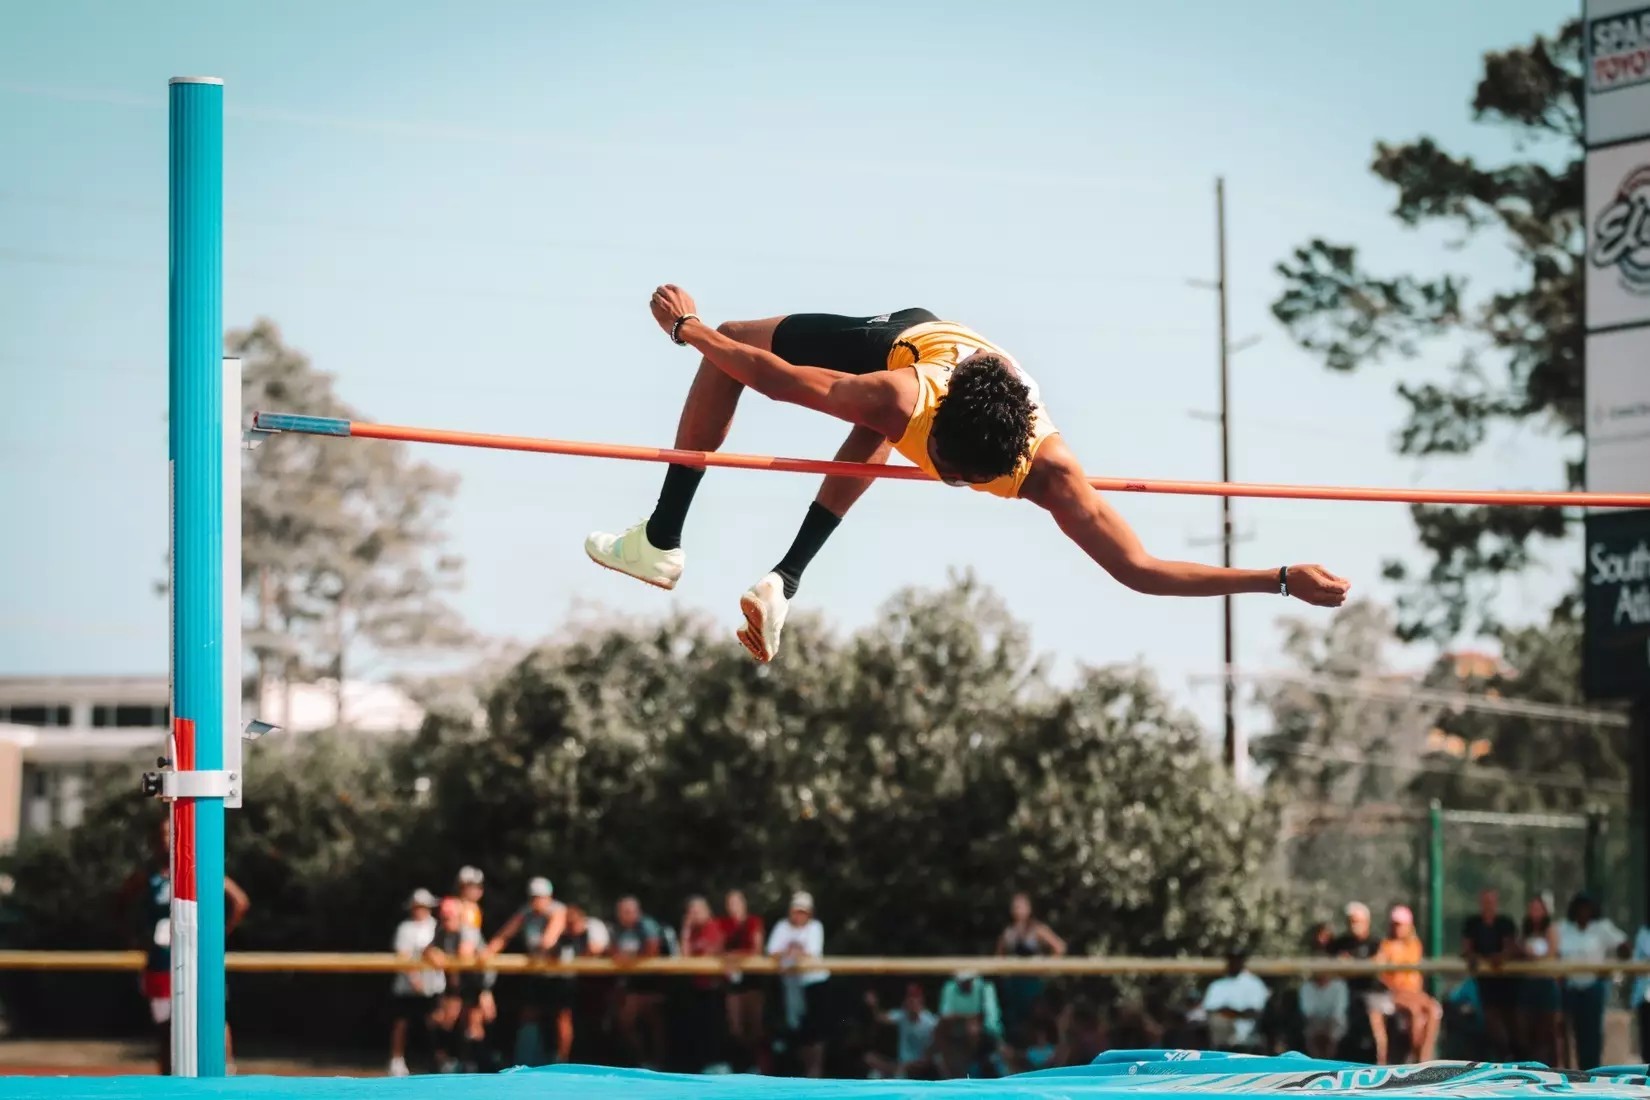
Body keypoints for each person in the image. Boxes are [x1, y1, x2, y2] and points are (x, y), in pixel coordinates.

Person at [585, 288, 1352, 663]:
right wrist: (692, 333)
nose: (943, 479)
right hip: (913, 339)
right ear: (935, 426)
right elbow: (772, 376)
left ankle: (693, 551)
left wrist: (1281, 578)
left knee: (738, 349)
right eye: (941, 465)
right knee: (736, 348)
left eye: (956, 476)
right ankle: (733, 560)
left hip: (953, 383)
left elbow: (1144, 572)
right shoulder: (903, 391)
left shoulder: (1052, 476)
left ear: (1007, 471)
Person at [114, 816, 250, 1076]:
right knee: (166, 1028)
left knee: (213, 1017)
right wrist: (133, 937)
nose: (166, 840)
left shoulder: (199, 867)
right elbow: (119, 903)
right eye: (162, 834)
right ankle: (168, 1082)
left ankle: (226, 1072)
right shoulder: (149, 875)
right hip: (162, 961)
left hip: (198, 958)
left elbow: (239, 901)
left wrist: (218, 935)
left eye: (170, 834)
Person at [484, 876, 566, 1067]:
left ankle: (562, 1060)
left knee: (561, 1017)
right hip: (538, 972)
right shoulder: (526, 912)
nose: (536, 902)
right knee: (529, 1013)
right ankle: (528, 1060)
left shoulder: (558, 910)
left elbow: (549, 940)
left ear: (549, 897)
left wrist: (542, 948)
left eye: (540, 897)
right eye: (533, 897)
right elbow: (505, 935)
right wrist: (487, 952)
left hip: (560, 973)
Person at [1557, 891, 1628, 1070]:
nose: (1584, 912)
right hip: (1570, 988)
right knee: (1569, 1033)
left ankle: (1591, 1070)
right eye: (1580, 908)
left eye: (1587, 908)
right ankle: (1569, 1070)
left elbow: (1623, 945)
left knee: (1592, 1034)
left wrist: (1617, 961)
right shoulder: (1564, 929)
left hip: (1592, 987)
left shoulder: (1601, 928)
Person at [767, 891, 829, 1078]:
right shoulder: (782, 927)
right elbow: (772, 952)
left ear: (809, 913)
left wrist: (789, 952)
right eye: (796, 911)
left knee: (816, 1035)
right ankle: (805, 1077)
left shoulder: (816, 927)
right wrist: (793, 952)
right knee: (798, 1033)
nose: (799, 915)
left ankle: (815, 1076)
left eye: (803, 911)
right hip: (791, 986)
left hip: (814, 983)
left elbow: (810, 953)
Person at [424, 896, 486, 1073]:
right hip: (456, 982)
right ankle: (449, 1061)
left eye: (449, 917)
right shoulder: (442, 931)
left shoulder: (468, 930)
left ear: (459, 916)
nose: (445, 920)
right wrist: (433, 952)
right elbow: (428, 949)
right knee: (444, 1019)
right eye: (443, 917)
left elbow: (464, 954)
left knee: (472, 1024)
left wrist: (443, 960)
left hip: (476, 982)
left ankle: (475, 1064)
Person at [995, 893, 1065, 1038]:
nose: (1018, 910)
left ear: (1029, 908)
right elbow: (998, 955)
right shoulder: (1009, 932)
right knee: (1015, 1021)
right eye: (1015, 907)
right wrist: (1005, 971)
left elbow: (1059, 947)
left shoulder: (1037, 929)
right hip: (1014, 983)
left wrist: (1045, 967)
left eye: (1021, 906)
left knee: (1037, 1017)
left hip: (1033, 982)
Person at [389, 888, 443, 1077]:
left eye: (424, 906)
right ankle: (397, 1060)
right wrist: (413, 978)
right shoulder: (405, 929)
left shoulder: (437, 926)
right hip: (407, 987)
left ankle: (439, 1060)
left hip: (433, 986)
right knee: (402, 1023)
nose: (420, 910)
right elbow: (403, 956)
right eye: (417, 906)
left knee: (435, 1023)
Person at [1377, 906, 1441, 1064]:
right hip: (1395, 994)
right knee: (1414, 1012)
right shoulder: (1386, 946)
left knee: (1433, 1009)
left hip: (1414, 993)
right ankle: (1416, 1055)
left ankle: (1424, 1057)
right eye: (1395, 924)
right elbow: (1383, 975)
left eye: (1401, 924)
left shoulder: (1414, 945)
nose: (1397, 928)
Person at [1461, 888, 1519, 1061]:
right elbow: (1467, 949)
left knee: (1512, 1022)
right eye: (1485, 901)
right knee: (1490, 1020)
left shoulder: (1505, 923)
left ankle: (1513, 1056)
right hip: (1483, 983)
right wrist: (1476, 959)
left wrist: (1499, 958)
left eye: (1491, 901)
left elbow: (1510, 948)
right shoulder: (1472, 923)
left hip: (1507, 982)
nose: (1488, 905)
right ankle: (1504, 1057)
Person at [1331, 901, 1391, 1064]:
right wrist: (1365, 966)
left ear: (1366, 922)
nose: (1353, 925)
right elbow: (1339, 969)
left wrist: (1352, 967)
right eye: (1350, 921)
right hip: (1344, 992)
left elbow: (1378, 965)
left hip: (1373, 992)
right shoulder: (1340, 943)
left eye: (1356, 921)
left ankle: (1381, 1066)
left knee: (1375, 1017)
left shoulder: (1376, 942)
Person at [610, 896, 667, 1068]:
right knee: (626, 1022)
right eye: (620, 912)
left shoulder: (647, 925)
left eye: (627, 912)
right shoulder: (620, 930)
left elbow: (652, 949)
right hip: (632, 983)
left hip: (654, 982)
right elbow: (613, 951)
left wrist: (629, 959)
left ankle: (658, 1063)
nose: (623, 916)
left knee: (654, 1023)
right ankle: (643, 1060)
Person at [714, 889, 766, 1072]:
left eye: (737, 902)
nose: (733, 907)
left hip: (752, 980)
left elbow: (756, 948)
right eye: (730, 903)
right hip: (732, 983)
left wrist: (734, 955)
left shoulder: (754, 922)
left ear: (744, 904)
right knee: (735, 1027)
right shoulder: (722, 923)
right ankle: (741, 1066)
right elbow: (716, 948)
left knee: (756, 1027)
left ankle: (760, 1067)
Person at [680, 895, 728, 1072]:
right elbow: (684, 957)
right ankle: (705, 1064)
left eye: (698, 911)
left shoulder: (713, 927)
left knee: (715, 1028)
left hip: (714, 986)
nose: (694, 915)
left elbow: (710, 952)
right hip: (697, 985)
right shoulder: (691, 931)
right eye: (691, 912)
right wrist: (685, 930)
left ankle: (719, 1064)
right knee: (698, 1029)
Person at [1517, 892, 1562, 1069]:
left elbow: (1550, 953)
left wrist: (1531, 955)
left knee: (1548, 1032)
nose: (1534, 912)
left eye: (1538, 908)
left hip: (1546, 985)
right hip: (1529, 985)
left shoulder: (1551, 930)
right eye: (1532, 908)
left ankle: (1552, 1068)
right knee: (1528, 1031)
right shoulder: (1525, 930)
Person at [1195, 952, 1270, 1052]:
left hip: (1247, 1036)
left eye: (1237, 959)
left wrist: (1230, 1013)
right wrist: (1231, 1014)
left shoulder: (1254, 984)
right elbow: (1210, 1011)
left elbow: (1255, 1011)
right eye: (1232, 959)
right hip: (1222, 1039)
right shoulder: (1217, 985)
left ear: (1243, 961)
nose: (1234, 962)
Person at [864, 983, 938, 1080]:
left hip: (921, 1065)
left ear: (921, 1000)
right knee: (869, 1058)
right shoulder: (902, 1015)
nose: (912, 1001)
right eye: (910, 998)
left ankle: (897, 1074)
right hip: (901, 1064)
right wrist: (874, 1005)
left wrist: (925, 1060)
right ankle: (895, 1073)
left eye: (915, 998)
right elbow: (880, 1017)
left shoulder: (930, 1021)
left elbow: (936, 1045)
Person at [1300, 924, 1349, 1060]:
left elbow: (1338, 1013)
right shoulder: (1307, 987)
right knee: (1312, 1031)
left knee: (1333, 1031)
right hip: (1315, 1023)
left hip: (1333, 1023)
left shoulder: (1339, 986)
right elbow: (1308, 1012)